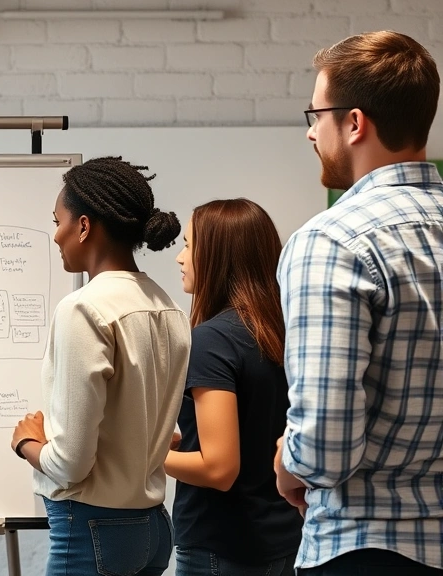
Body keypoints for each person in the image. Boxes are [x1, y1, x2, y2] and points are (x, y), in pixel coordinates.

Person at [274, 30, 443, 575]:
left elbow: (324, 449)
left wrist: (287, 462)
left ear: (353, 123)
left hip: (365, 547)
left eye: (315, 114)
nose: (308, 132)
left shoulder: (332, 242)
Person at [10, 156, 190, 576]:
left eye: (59, 221)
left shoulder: (83, 309)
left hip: (92, 530)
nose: (56, 236)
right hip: (153, 529)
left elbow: (71, 463)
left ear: (84, 226)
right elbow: (168, 434)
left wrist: (28, 444)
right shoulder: (169, 308)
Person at [164, 199, 301, 576]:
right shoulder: (281, 331)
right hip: (282, 538)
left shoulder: (211, 341)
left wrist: (143, 455)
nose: (180, 257)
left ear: (220, 256)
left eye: (190, 245)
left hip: (222, 547)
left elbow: (219, 468)